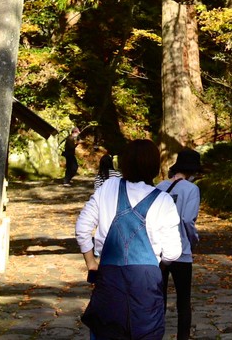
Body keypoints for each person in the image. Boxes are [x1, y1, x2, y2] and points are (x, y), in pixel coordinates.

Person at [74, 138, 182, 340]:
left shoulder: (108, 187)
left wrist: (91, 263)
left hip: (109, 276)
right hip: (146, 281)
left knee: (106, 329)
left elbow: (82, 228)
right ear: (154, 166)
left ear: (123, 163)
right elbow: (173, 252)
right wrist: (158, 265)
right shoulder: (164, 200)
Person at [160, 148, 203, 340]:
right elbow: (187, 219)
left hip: (159, 250)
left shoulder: (159, 187)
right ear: (193, 170)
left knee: (158, 299)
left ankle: (155, 334)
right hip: (182, 251)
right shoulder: (192, 189)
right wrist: (194, 239)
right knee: (183, 301)